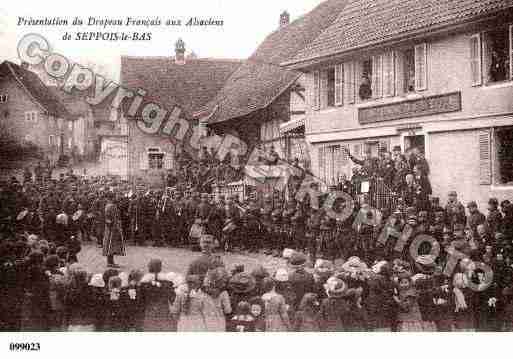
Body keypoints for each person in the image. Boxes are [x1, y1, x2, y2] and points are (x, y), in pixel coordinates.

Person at [103, 191, 126, 268]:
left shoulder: (109, 205)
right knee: (110, 245)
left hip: (111, 227)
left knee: (111, 245)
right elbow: (108, 218)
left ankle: (111, 261)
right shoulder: (111, 206)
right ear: (112, 197)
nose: (116, 198)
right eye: (115, 196)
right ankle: (110, 262)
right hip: (112, 228)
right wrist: (113, 226)